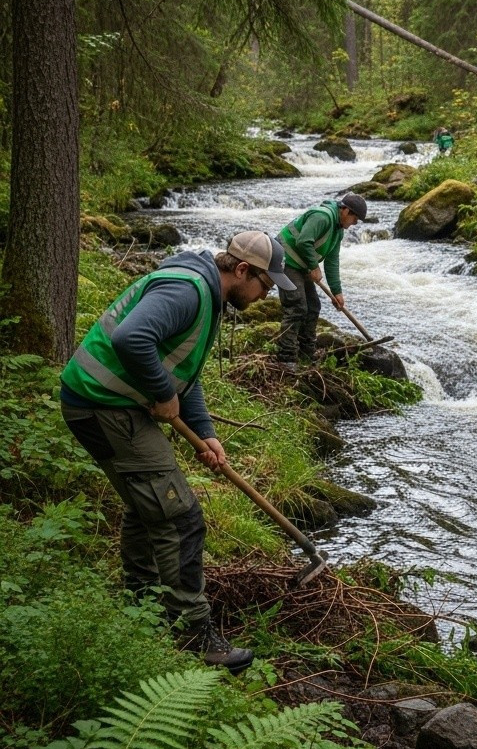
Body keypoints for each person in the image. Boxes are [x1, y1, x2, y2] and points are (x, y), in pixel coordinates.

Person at [59, 231, 295, 674]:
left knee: (146, 504)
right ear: (242, 270)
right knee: (179, 516)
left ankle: (140, 604)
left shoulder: (208, 293)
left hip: (108, 403)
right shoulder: (187, 290)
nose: (266, 295)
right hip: (101, 404)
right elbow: (132, 339)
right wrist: (162, 393)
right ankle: (196, 632)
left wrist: (205, 432)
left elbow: (184, 371)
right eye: (265, 285)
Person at [275, 192, 368, 370]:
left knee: (313, 307)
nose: (354, 224)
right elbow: (303, 241)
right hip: (285, 259)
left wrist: (337, 292)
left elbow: (332, 261)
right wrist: (313, 266)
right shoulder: (322, 217)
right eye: (355, 219)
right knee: (297, 307)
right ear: (346, 211)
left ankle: (306, 355)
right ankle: (286, 358)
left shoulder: (338, 230)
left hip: (301, 264)